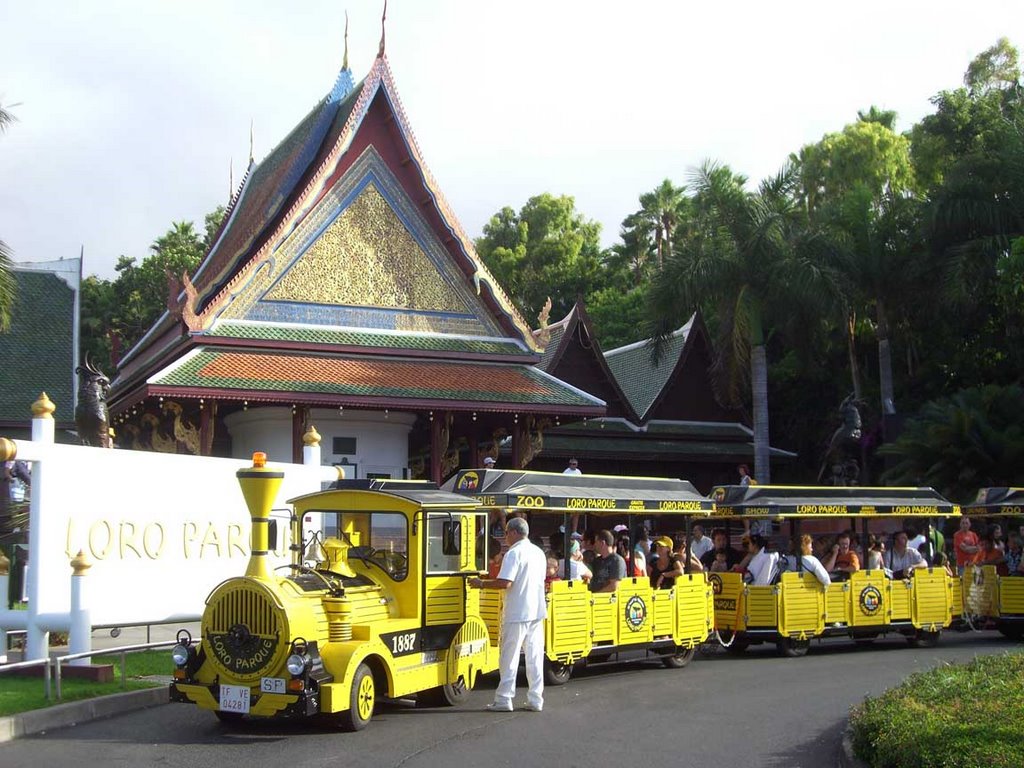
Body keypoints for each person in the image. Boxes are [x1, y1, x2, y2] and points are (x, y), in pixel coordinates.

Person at [469, 516, 547, 712]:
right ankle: (536, 699)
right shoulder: (539, 552)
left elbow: (505, 582)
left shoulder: (513, 554)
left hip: (517, 611)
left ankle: (504, 699)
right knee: (534, 657)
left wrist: (481, 584)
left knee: (509, 657)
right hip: (536, 610)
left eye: (505, 533)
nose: (505, 538)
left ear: (513, 532)